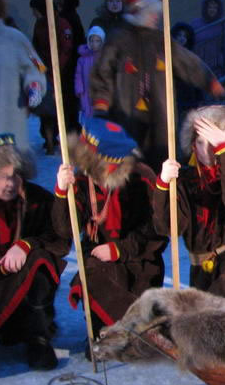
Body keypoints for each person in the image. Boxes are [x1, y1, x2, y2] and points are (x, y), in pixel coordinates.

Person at [53, 117, 166, 341]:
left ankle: (141, 331)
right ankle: (104, 333)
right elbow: (65, 230)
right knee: (93, 272)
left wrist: (119, 250)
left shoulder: (142, 178)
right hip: (99, 262)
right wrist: (62, 192)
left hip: (139, 260)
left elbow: (159, 229)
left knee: (139, 299)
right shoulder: (80, 182)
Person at [90, 0, 224, 172]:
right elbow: (102, 73)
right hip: (127, 114)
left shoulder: (160, 41)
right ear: (137, 12)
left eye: (156, 13)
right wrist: (101, 104)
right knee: (130, 164)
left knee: (161, 164)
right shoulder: (118, 40)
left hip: (159, 116)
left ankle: (161, 188)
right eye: (151, 13)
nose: (155, 17)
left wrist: (209, 81)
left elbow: (186, 61)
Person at [154, 105, 225, 304]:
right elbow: (169, 227)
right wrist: (163, 185)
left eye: (214, 142)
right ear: (193, 146)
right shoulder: (184, 181)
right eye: (202, 142)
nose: (209, 149)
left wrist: (224, 150)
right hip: (200, 268)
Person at [0, 134, 68, 370]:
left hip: (21, 281)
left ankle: (38, 338)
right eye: (1, 176)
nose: (9, 183)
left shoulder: (39, 199)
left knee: (40, 262)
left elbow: (60, 239)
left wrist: (26, 245)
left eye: (14, 175)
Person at [0, 0, 45, 151]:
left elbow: (37, 65)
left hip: (8, 116)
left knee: (10, 159)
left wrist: (35, 85)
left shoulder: (16, 38)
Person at [30, 0, 75, 150]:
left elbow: (66, 49)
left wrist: (56, 68)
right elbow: (35, 48)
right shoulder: (39, 24)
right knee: (46, 109)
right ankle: (48, 139)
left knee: (63, 107)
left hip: (61, 72)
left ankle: (65, 138)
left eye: (35, 10)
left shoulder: (61, 24)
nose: (33, 14)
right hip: (44, 71)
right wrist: (40, 68)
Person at [190, 0, 225, 75]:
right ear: (205, 8)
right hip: (198, 65)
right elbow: (189, 42)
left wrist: (222, 60)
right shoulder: (195, 24)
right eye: (210, 7)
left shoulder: (223, 25)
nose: (212, 10)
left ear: (219, 10)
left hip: (216, 67)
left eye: (215, 8)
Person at [74, 25, 105, 121]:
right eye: (92, 41)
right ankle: (88, 126)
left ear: (102, 42)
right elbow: (78, 75)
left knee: (100, 110)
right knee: (87, 110)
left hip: (101, 91)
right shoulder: (82, 59)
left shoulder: (104, 57)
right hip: (86, 91)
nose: (94, 44)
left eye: (97, 41)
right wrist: (79, 88)